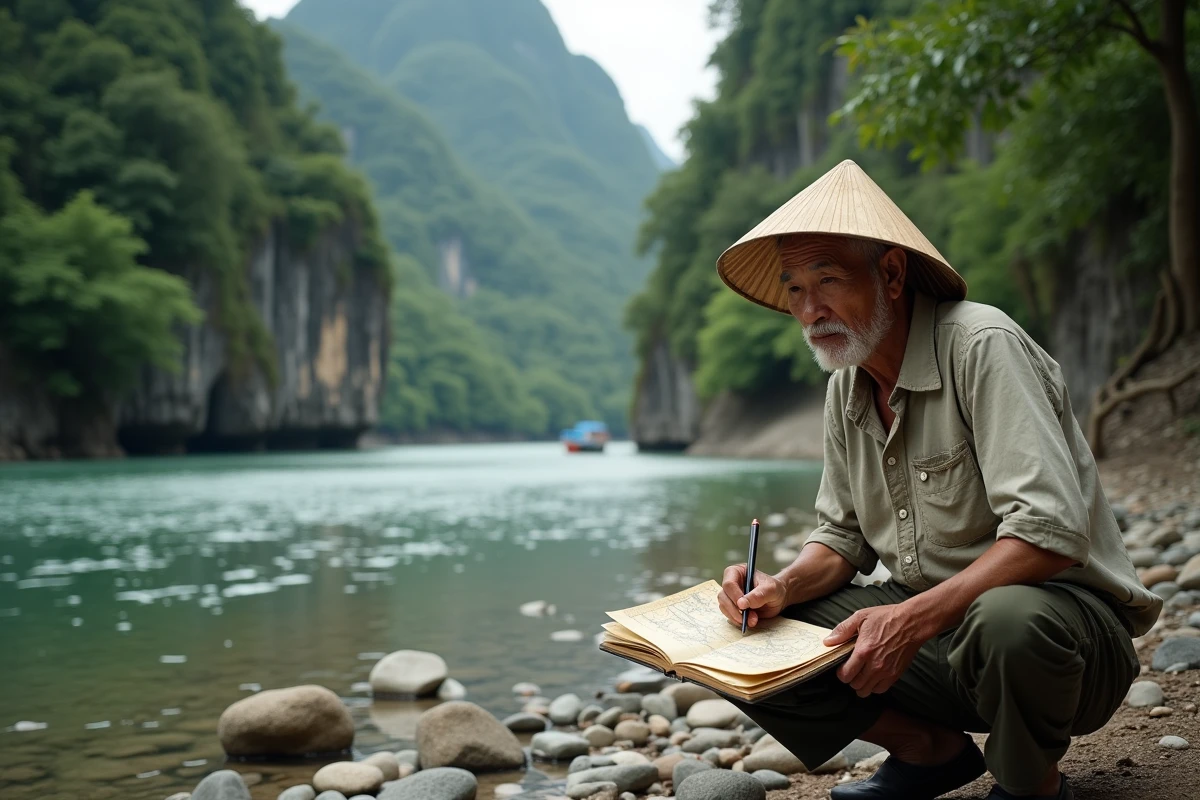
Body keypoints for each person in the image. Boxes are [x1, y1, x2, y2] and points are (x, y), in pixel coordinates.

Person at [713, 160, 1160, 800]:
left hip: (1061, 640)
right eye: (794, 289)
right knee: (735, 631)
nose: (810, 310)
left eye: (828, 280)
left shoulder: (982, 345)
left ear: (891, 274)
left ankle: (1030, 783)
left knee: (1005, 619)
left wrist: (910, 620)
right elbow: (840, 538)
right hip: (941, 641)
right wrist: (778, 587)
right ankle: (929, 754)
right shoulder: (847, 385)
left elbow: (1049, 534)